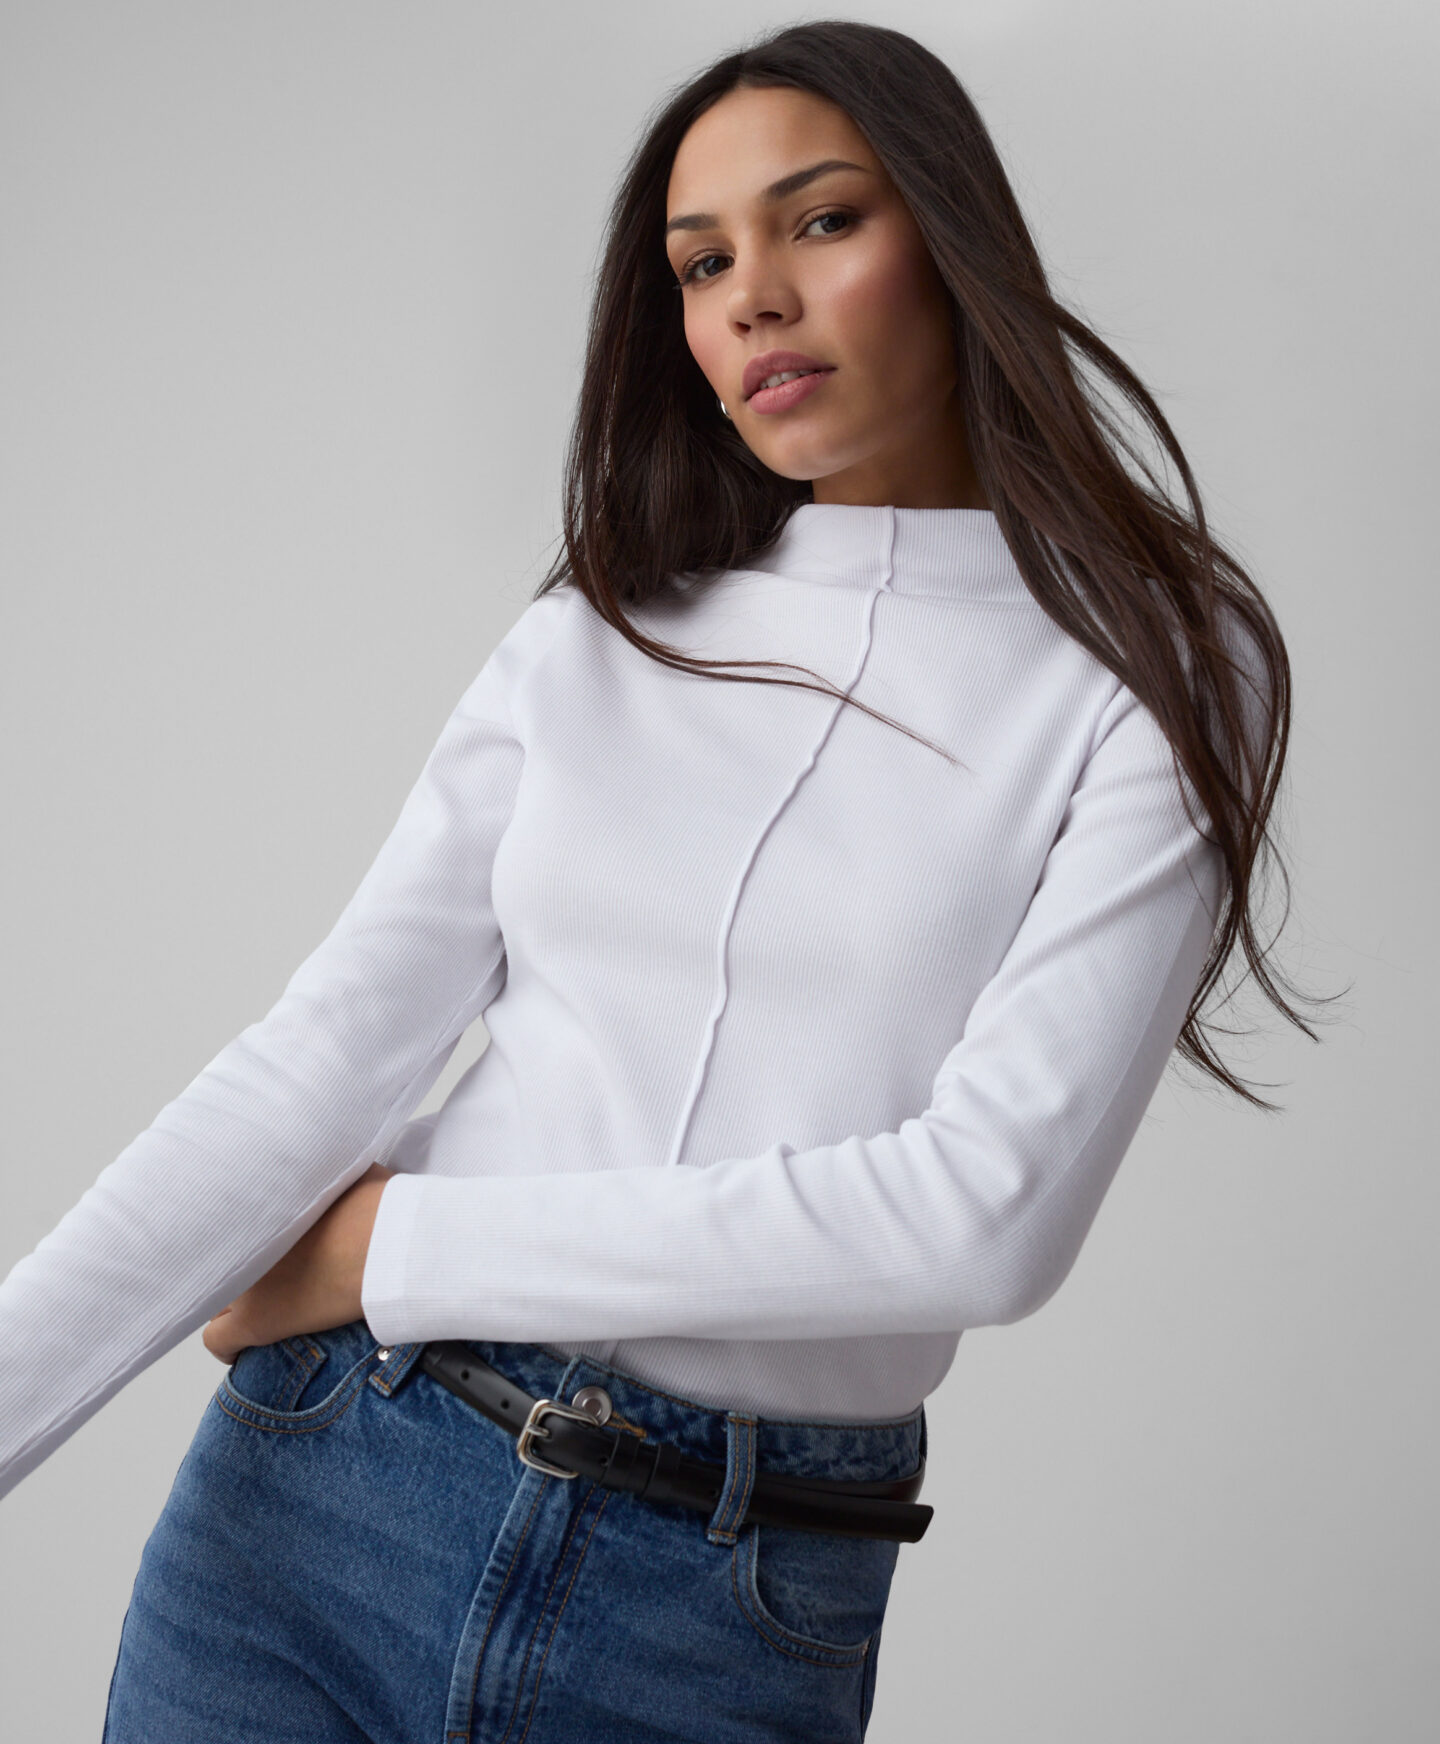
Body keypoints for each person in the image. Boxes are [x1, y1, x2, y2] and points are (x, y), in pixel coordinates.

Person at [0, 20, 1312, 1743]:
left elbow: (981, 1219)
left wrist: (404, 1247)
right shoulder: (599, 632)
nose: (752, 296)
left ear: (951, 237)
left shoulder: (1156, 659)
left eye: (820, 221)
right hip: (324, 1501)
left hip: (724, 1601)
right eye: (701, 264)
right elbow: (317, 1061)